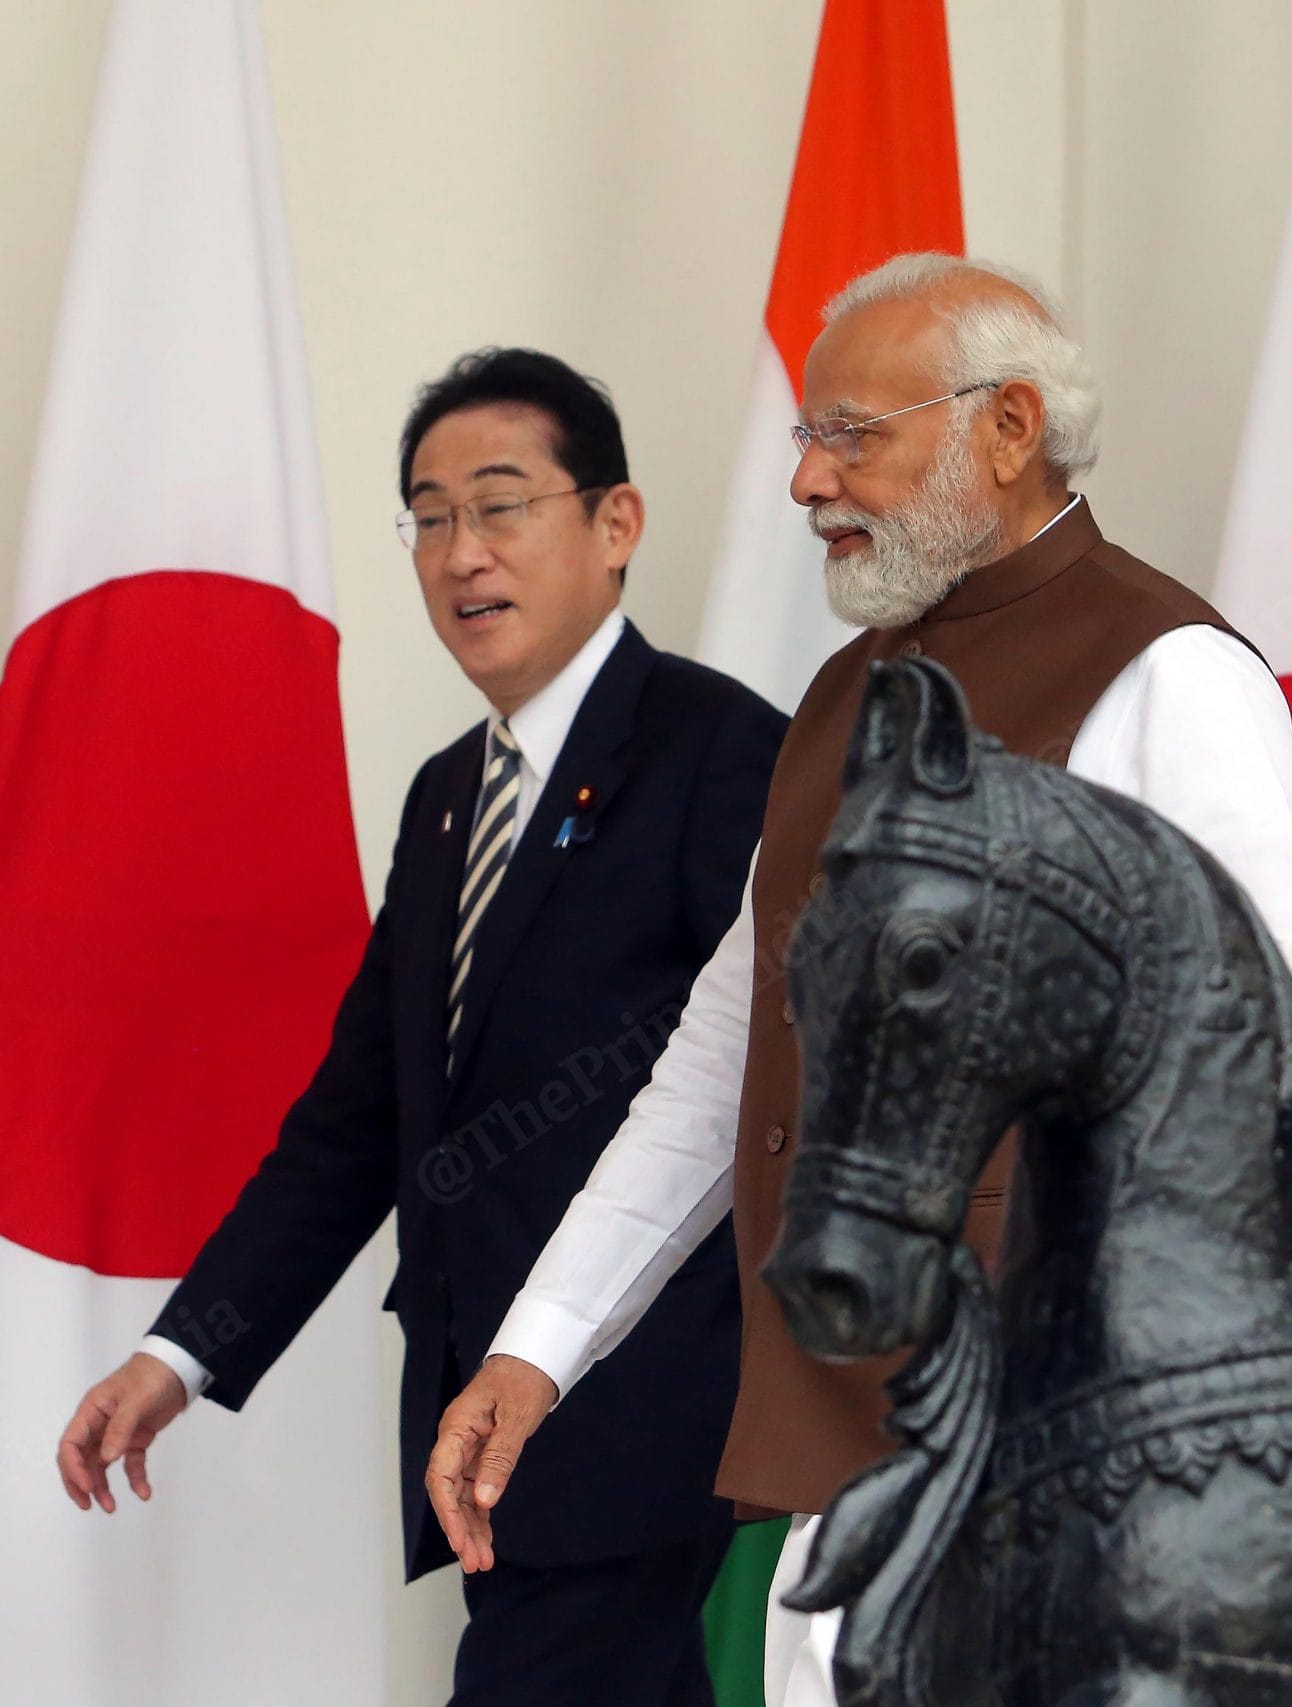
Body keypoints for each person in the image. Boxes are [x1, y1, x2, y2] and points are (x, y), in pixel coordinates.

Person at [426, 256, 1292, 1707]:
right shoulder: (845, 695)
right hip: (846, 1471)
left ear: (1007, 429)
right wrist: (537, 1348)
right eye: (811, 434)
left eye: (852, 432)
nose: (806, 476)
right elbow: (719, 1066)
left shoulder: (1171, 673)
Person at [55, 348, 786, 1707]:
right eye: (430, 514)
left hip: (637, 1405)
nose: (462, 552)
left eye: (501, 503)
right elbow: (360, 1115)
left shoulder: (725, 755)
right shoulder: (452, 792)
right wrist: (185, 1348)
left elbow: (762, 1087)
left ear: (614, 523)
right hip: (481, 1409)